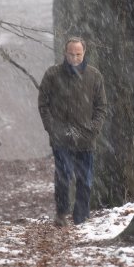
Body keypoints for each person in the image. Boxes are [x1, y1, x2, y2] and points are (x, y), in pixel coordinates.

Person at [38, 37, 108, 226]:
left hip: (86, 137)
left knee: (85, 179)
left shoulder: (95, 76)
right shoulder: (52, 75)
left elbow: (101, 107)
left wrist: (94, 128)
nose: (75, 57)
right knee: (64, 176)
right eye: (71, 53)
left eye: (78, 54)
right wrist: (51, 128)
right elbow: (43, 103)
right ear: (65, 52)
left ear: (84, 53)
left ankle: (81, 217)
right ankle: (61, 214)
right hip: (61, 136)